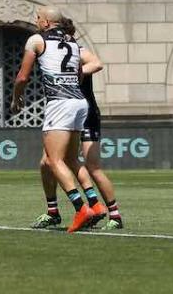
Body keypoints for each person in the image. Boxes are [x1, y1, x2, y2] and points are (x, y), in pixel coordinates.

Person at [11, 5, 105, 234]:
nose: (36, 21)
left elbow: (23, 76)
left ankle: (81, 208)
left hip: (59, 103)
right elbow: (90, 65)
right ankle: (94, 203)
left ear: (45, 22)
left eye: (38, 18)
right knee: (69, 159)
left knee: (54, 161)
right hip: (79, 102)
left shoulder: (36, 40)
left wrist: (16, 98)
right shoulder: (73, 42)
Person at [33, 17, 122, 231]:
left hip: (82, 111)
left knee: (91, 166)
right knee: (47, 162)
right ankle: (54, 211)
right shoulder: (59, 50)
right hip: (70, 111)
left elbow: (97, 63)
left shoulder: (75, 49)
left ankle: (112, 213)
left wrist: (77, 73)